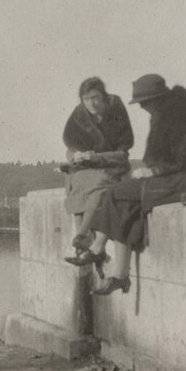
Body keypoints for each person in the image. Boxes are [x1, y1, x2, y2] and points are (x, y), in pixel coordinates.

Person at [66, 73, 186, 296]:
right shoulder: (163, 115)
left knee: (116, 193)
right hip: (172, 177)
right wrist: (151, 169)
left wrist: (153, 171)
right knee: (124, 201)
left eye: (144, 102)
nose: (142, 107)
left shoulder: (179, 118)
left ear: (157, 99)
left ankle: (97, 248)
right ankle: (120, 277)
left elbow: (184, 159)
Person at [60, 77, 134, 271]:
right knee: (78, 182)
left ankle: (82, 235)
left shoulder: (115, 106)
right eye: (86, 99)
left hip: (112, 162)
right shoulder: (80, 114)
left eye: (95, 97)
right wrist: (76, 156)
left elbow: (124, 148)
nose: (91, 103)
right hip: (86, 165)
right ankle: (83, 241)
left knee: (99, 182)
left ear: (103, 96)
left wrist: (97, 157)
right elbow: (70, 142)